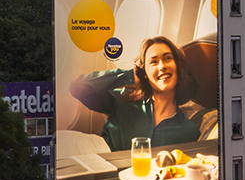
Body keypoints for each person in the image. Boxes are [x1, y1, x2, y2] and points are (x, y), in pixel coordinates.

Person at [70, 36, 211, 152]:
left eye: (168, 58)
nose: (162, 66)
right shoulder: (123, 100)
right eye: (153, 62)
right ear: (145, 73)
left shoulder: (189, 131)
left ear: (178, 67)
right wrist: (130, 75)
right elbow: (77, 88)